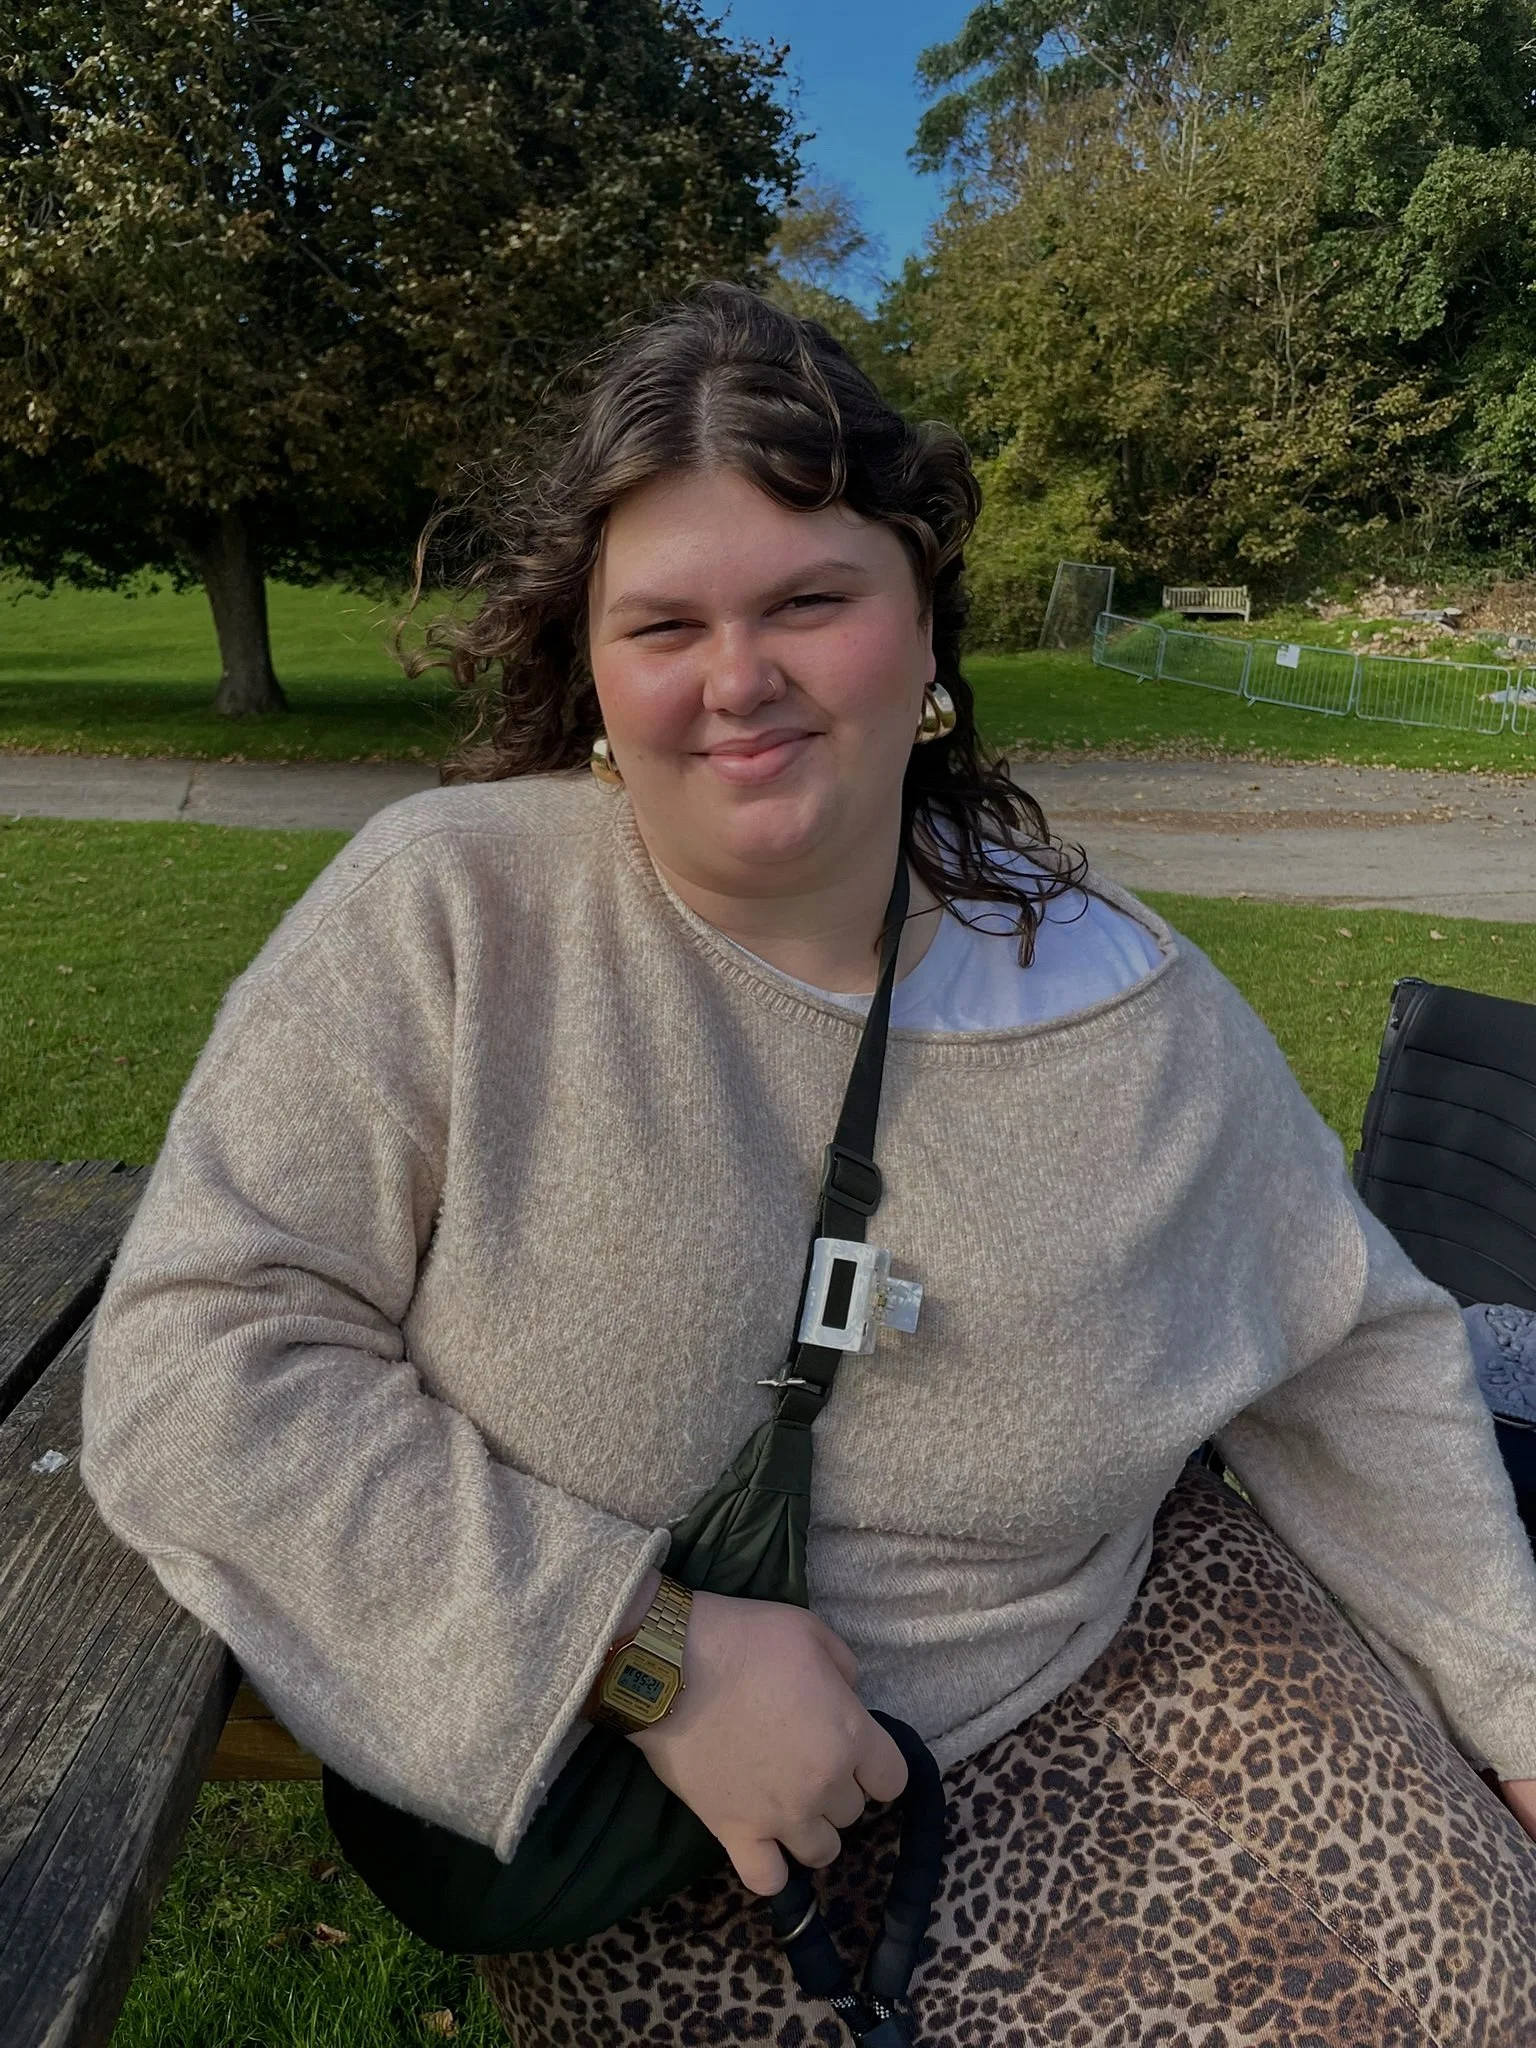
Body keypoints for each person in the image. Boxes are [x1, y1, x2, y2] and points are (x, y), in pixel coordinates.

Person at [80, 283, 1536, 2045]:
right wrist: (644, 1652)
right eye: (666, 621)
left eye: (810, 601)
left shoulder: (1123, 990)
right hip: (691, 1817)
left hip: (1134, 1665)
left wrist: (1521, 1710)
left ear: (924, 632)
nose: (738, 678)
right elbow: (198, 1363)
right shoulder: (454, 916)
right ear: (594, 668)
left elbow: (1355, 1345)